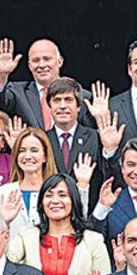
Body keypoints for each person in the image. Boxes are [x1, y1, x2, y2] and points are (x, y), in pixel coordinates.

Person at [0, 38, 94, 130]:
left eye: (47, 59)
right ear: (30, 66)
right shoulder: (17, 92)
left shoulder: (83, 96)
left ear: (60, 61)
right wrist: (1, 75)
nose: (41, 65)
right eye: (36, 60)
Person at [44, 77, 111, 212]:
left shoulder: (95, 137)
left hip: (88, 214)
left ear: (78, 106)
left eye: (68, 100)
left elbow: (108, 173)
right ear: (49, 107)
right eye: (56, 100)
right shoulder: (42, 139)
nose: (62, 106)